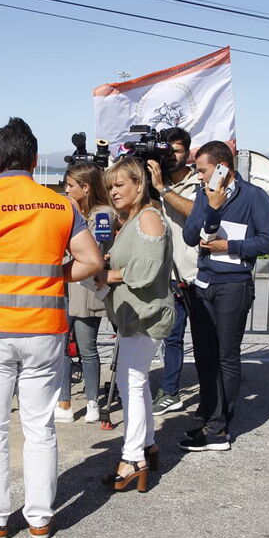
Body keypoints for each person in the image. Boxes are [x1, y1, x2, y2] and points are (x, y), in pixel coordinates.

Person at [0, 117, 103, 538]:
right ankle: (40, 518)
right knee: (41, 428)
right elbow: (91, 263)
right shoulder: (61, 204)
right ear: (34, 160)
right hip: (45, 330)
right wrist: (52, 274)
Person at [181, 140, 269, 452]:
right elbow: (188, 236)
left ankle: (221, 428)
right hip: (203, 282)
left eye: (202, 170)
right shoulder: (202, 194)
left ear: (223, 167)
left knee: (227, 355)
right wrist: (209, 206)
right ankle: (210, 417)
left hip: (234, 285)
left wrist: (232, 247)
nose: (198, 176)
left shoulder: (254, 197)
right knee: (204, 355)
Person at [98, 158, 176, 493]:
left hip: (146, 315)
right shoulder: (135, 218)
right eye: (111, 186)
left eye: (120, 185)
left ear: (138, 184)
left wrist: (106, 275)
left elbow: (145, 271)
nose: (114, 191)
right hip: (136, 315)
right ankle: (147, 446)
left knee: (131, 383)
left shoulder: (147, 215)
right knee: (137, 382)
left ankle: (133, 458)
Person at [54, 161, 117, 424]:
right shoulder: (72, 211)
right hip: (64, 286)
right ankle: (65, 401)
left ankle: (92, 401)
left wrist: (74, 216)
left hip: (87, 289)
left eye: (70, 185)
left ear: (85, 187)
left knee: (87, 347)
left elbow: (93, 250)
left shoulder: (103, 214)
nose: (66, 190)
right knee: (62, 348)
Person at [145, 127, 201, 415]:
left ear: (188, 153)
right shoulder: (155, 183)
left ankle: (212, 391)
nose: (170, 156)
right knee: (172, 338)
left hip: (198, 275)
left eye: (176, 151)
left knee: (206, 339)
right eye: (166, 150)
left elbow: (197, 213)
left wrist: (163, 190)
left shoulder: (200, 182)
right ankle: (170, 392)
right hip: (169, 277)